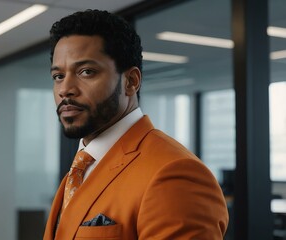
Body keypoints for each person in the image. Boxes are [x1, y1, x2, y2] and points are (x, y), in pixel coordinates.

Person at [44, 9, 229, 240]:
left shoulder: (174, 173)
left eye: (86, 72)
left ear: (131, 82)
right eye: (58, 76)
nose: (64, 89)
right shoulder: (82, 167)